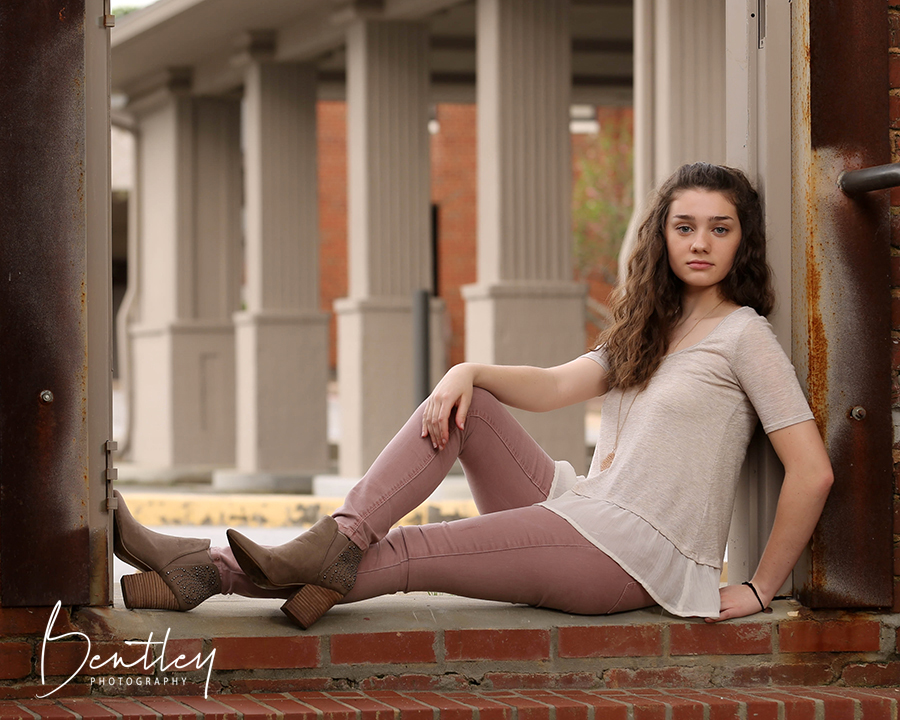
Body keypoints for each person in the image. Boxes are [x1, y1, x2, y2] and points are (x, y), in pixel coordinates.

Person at [112, 162, 833, 629]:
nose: (700, 242)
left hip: (630, 555)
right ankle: (327, 542)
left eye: (719, 228)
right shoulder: (654, 327)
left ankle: (209, 568)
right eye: (685, 227)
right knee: (471, 410)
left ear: (744, 242)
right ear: (663, 237)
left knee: (415, 550)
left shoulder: (744, 337)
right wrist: (470, 372)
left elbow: (811, 470)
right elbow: (553, 387)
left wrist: (763, 587)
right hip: (578, 508)